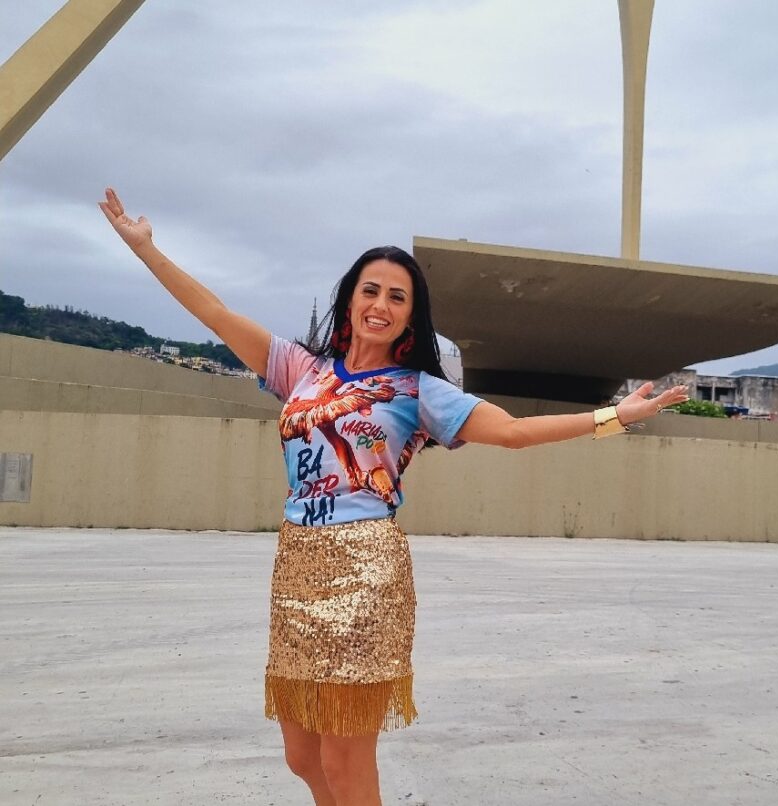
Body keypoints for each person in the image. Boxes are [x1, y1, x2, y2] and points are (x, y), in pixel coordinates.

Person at [99, 187, 688, 806]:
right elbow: (215, 315)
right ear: (350, 300)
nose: (380, 305)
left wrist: (614, 417)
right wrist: (146, 250)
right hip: (296, 567)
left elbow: (513, 432)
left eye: (397, 297)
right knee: (302, 756)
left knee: (345, 760)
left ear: (411, 317)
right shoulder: (301, 370)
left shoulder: (418, 390)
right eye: (371, 290)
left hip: (366, 570)